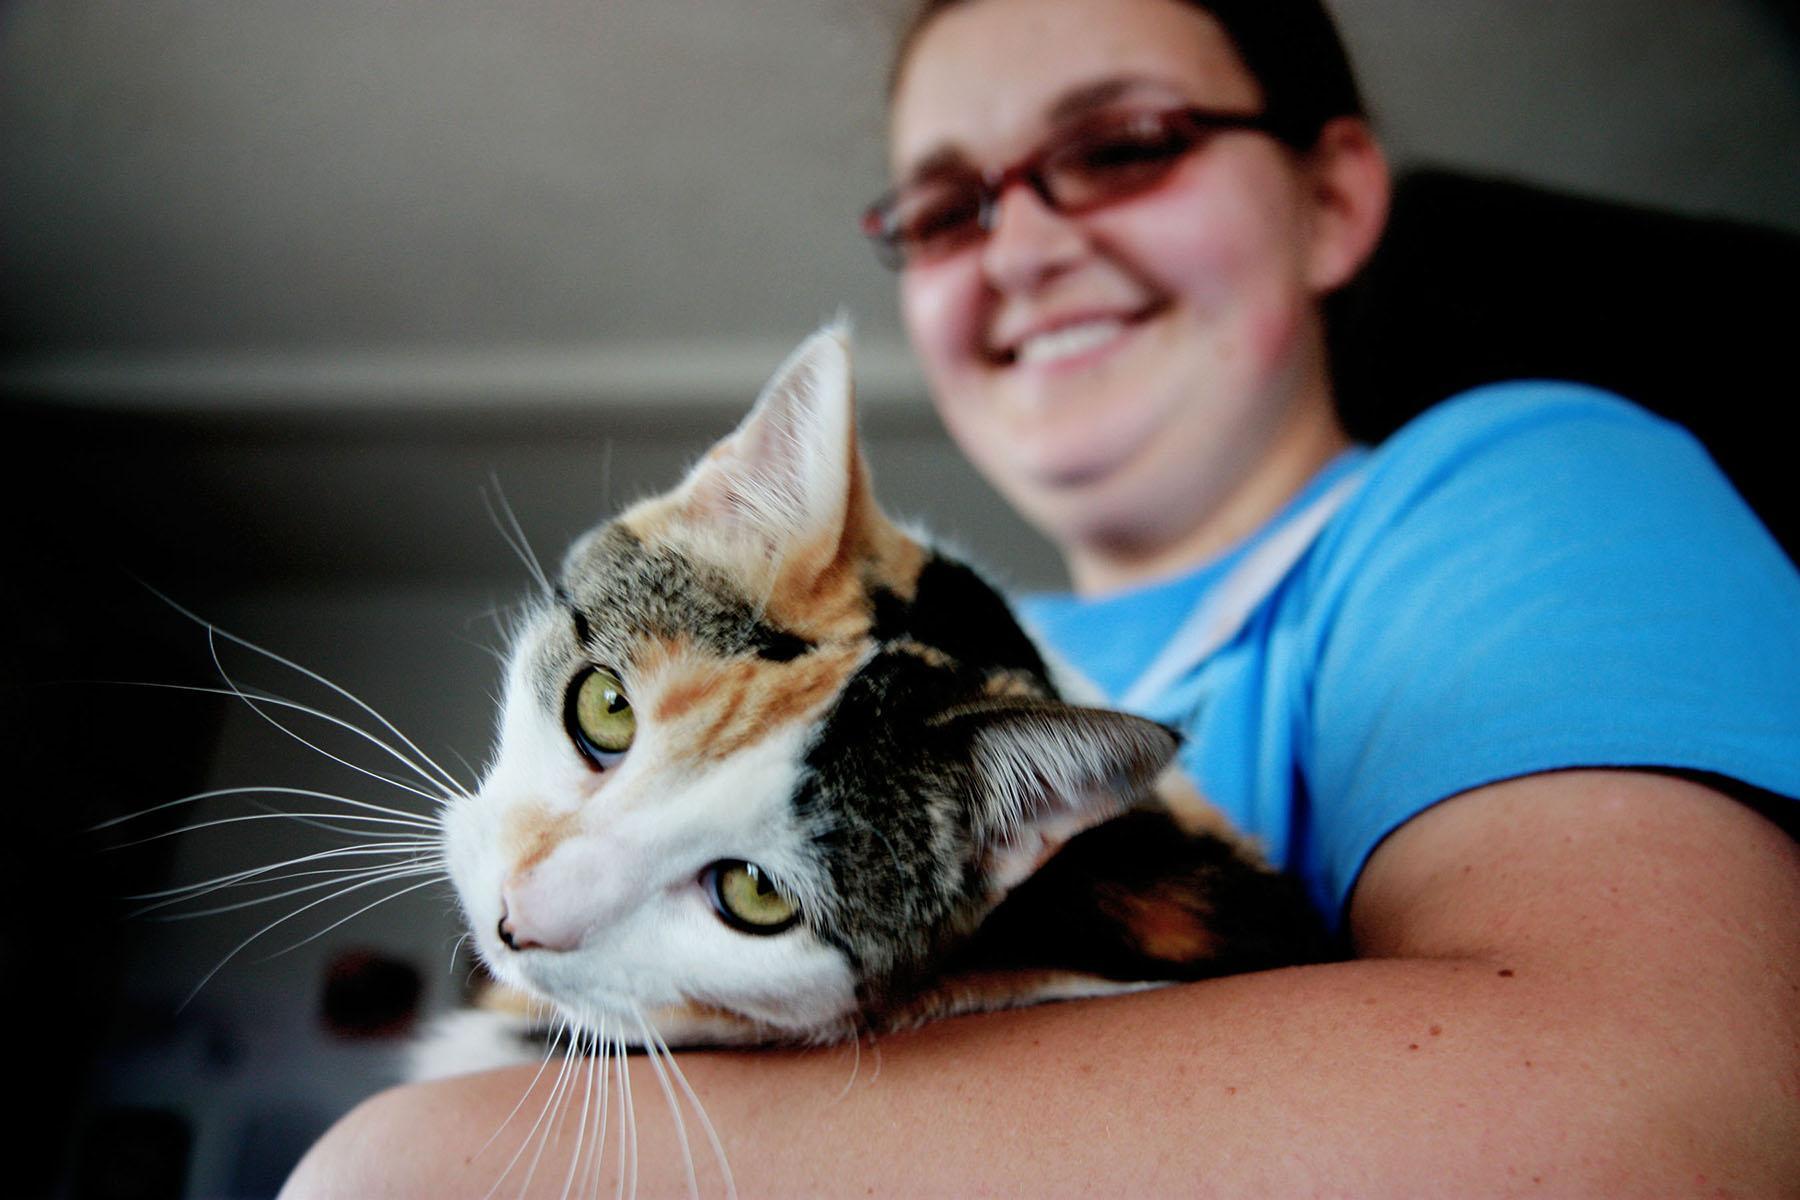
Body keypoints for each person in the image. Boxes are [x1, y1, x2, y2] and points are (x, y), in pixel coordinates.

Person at [284, 0, 1800, 1192]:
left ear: (1333, 195)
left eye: (1128, 144)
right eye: (947, 209)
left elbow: (1663, 1137)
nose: (1023, 243)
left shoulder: (1508, 485)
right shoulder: (921, 718)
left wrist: (431, 1165)